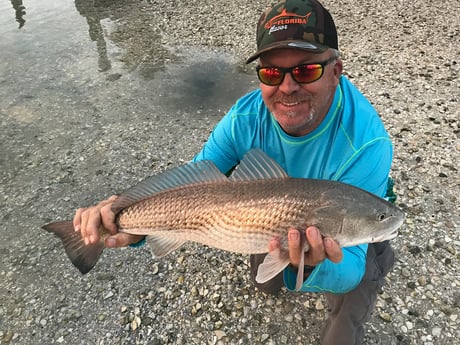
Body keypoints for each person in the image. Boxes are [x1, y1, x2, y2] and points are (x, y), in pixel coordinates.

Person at [73, 0, 396, 344]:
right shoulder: (244, 118)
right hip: (264, 218)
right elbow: (193, 184)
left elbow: (350, 268)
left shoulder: (367, 143)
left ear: (336, 71)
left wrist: (314, 265)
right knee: (267, 280)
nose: (287, 87)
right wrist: (125, 218)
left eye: (306, 71)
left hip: (343, 228)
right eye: (272, 73)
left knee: (351, 289)